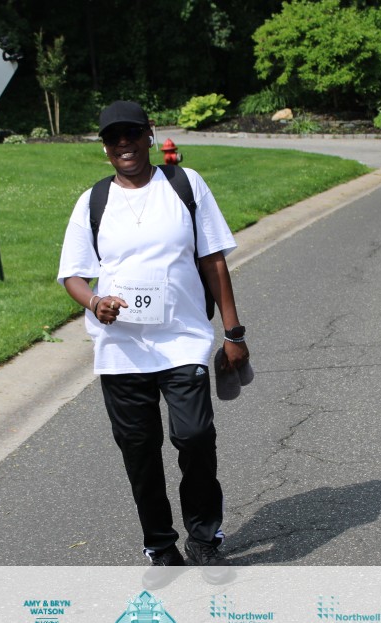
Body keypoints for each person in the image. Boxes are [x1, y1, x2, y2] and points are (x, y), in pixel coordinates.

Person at [57, 100, 250, 585]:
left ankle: (203, 539)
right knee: (139, 451)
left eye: (131, 133)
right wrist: (94, 302)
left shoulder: (185, 185)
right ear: (105, 147)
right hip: (120, 349)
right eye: (113, 136)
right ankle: (161, 548)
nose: (123, 143)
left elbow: (213, 260)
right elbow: (73, 274)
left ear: (149, 134)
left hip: (182, 339)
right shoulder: (93, 201)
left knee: (195, 437)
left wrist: (233, 333)